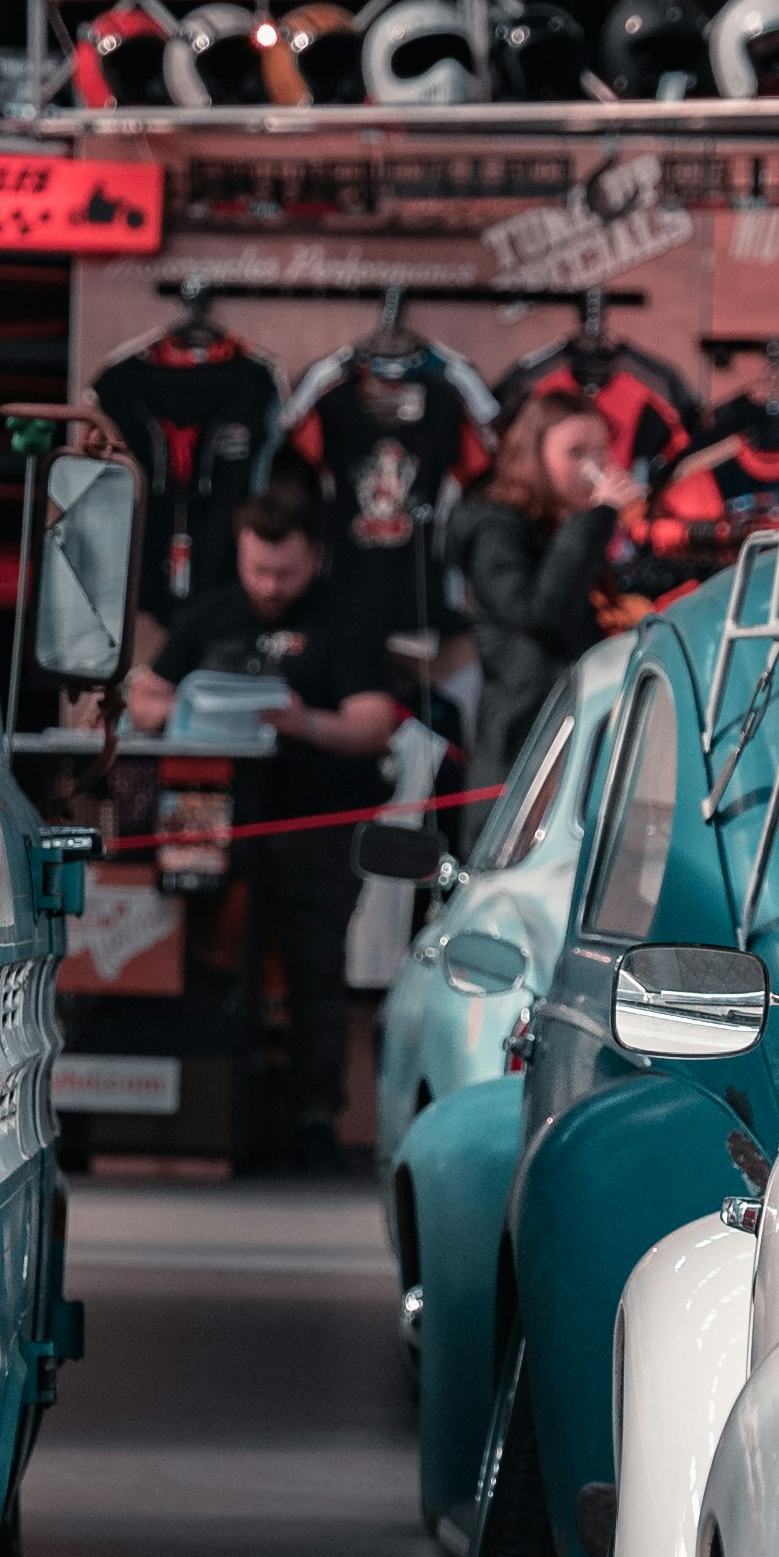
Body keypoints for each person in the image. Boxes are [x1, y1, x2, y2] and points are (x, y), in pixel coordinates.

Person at [128, 482, 418, 1172]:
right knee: (209, 962)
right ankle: (209, 1104)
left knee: (315, 968)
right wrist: (182, 712)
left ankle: (316, 1117)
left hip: (311, 823)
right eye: (258, 568)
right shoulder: (213, 611)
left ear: (314, 557)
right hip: (214, 823)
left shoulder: (344, 620)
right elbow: (145, 692)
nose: (269, 584)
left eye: (284, 571)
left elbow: (374, 723)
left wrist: (303, 722)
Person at [447, 386, 617, 793]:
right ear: (535, 457)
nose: (593, 467)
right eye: (576, 453)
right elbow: (538, 612)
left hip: (576, 729)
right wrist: (596, 519)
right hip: (523, 744)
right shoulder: (497, 531)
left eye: (601, 452)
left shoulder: (567, 525)